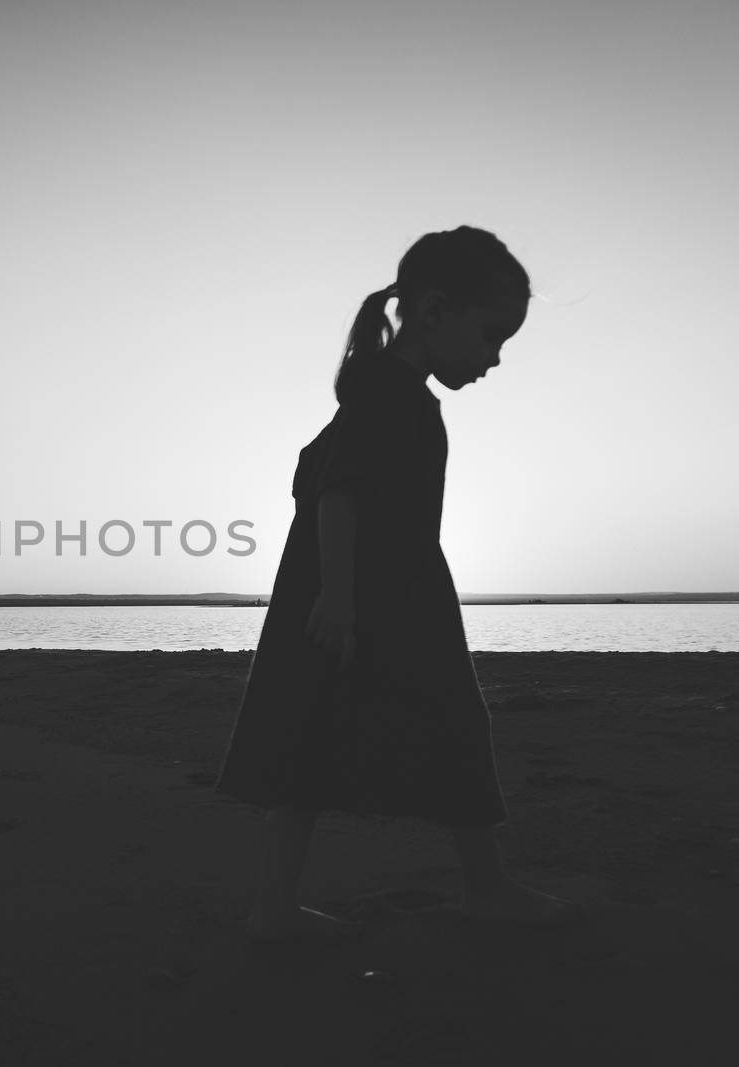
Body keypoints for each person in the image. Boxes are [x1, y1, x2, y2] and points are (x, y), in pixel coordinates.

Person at [215, 226, 582, 940]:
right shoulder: (393, 394)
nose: (494, 358)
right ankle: (483, 886)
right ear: (436, 309)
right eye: (491, 335)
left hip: (366, 587)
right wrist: (342, 597)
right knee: (447, 725)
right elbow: (337, 492)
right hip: (373, 593)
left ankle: (276, 906)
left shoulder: (384, 391)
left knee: (313, 734)